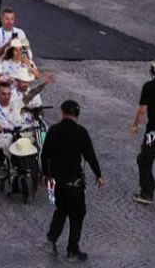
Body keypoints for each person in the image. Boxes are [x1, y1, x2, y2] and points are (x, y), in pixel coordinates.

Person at [41, 100, 103, 262]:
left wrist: (45, 174)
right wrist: (98, 175)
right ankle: (72, 251)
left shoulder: (54, 130)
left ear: (62, 112)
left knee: (61, 210)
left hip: (57, 180)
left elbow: (44, 154)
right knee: (77, 215)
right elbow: (90, 155)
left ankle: (51, 239)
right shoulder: (81, 132)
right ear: (77, 114)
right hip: (74, 181)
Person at [132, 60, 155, 204]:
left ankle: (147, 192)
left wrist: (135, 125)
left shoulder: (149, 87)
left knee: (144, 160)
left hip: (154, 132)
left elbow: (142, 110)